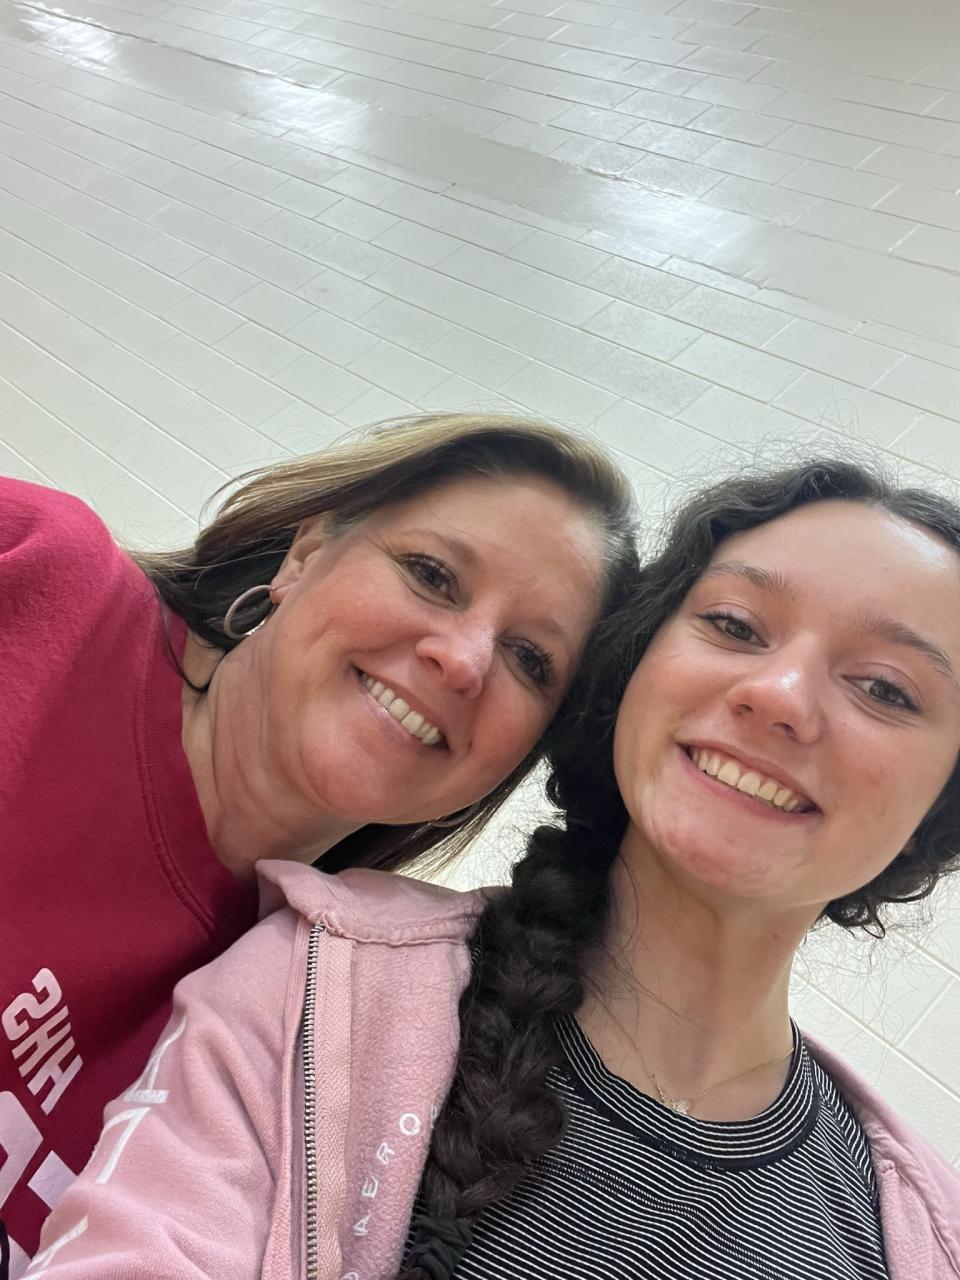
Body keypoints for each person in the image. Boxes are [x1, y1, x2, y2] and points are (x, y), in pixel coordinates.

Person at [24, 459, 960, 1280]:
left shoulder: (921, 1227)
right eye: (735, 625)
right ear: (635, 672)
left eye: (886, 688)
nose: (778, 695)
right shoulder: (317, 981)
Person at [0, 412, 638, 1274]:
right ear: (304, 553)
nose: (464, 660)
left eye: (530, 659)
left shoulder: (315, 1016)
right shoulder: (39, 574)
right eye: (432, 575)